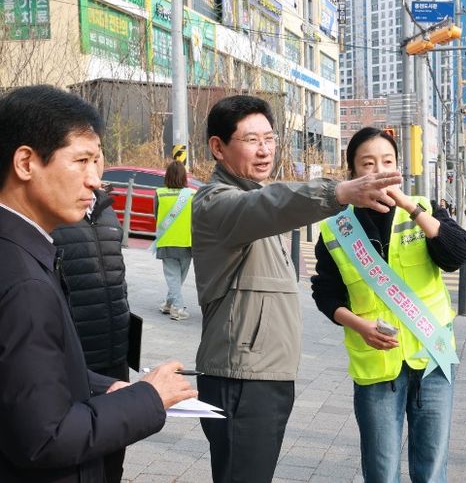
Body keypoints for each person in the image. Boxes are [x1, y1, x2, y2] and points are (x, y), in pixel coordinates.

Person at [192, 95, 403, 483]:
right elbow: (272, 205)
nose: (264, 150)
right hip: (240, 377)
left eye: (269, 139)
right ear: (218, 148)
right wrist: (338, 193)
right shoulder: (216, 203)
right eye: (251, 140)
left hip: (264, 374)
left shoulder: (251, 195)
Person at [0, 85, 197, 482]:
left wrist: (104, 386)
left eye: (98, 160)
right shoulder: (24, 282)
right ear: (25, 162)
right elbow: (46, 438)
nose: (94, 180)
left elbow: (26, 374)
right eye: (81, 161)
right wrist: (149, 398)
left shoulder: (23, 250)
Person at [311, 127, 466, 482]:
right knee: (381, 472)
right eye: (368, 164)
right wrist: (359, 325)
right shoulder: (336, 230)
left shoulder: (423, 209)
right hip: (376, 365)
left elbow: (458, 253)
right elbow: (325, 293)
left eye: (387, 162)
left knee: (432, 471)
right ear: (353, 172)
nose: (379, 171)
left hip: (432, 358)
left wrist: (410, 206)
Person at [51, 159, 132, 482]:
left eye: (98, 156)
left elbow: (118, 276)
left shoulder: (105, 208)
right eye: (82, 158)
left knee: (113, 460)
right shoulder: (50, 212)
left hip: (115, 357)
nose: (94, 167)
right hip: (75, 361)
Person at [154, 160, 194, 321]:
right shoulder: (192, 195)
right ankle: (177, 308)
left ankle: (170, 305)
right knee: (178, 278)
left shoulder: (159, 193)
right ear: (184, 177)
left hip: (167, 241)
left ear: (167, 176)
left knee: (173, 278)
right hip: (187, 242)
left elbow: (156, 215)